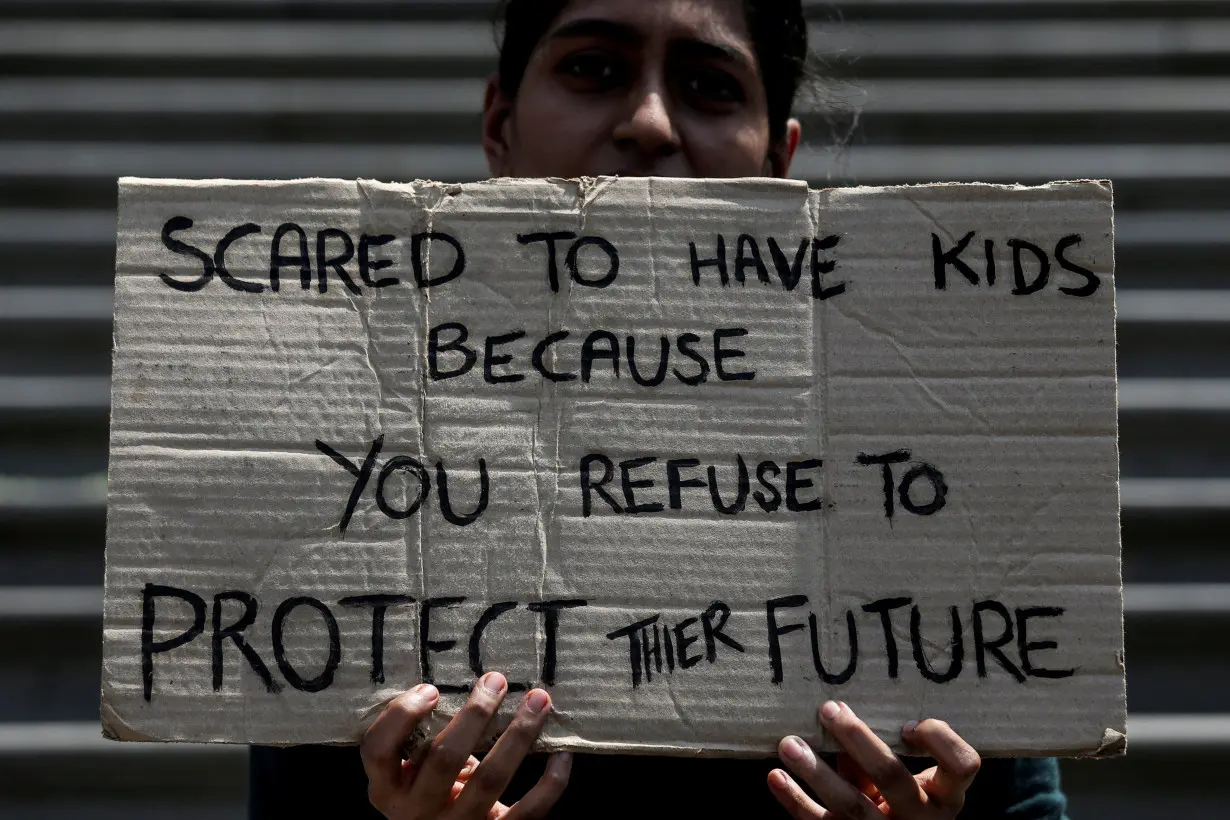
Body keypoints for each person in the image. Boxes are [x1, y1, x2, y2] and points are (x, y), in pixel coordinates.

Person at [250, 1, 1071, 817]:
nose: (648, 123)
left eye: (710, 86)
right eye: (593, 69)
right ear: (500, 124)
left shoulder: (911, 451)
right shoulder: (361, 459)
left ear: (778, 157)